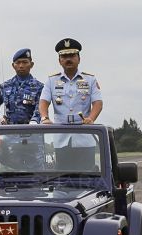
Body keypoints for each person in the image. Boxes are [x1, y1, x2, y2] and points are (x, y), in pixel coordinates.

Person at [39, 38, 103, 170]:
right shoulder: (52, 81)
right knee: (64, 178)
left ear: (79, 58)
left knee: (87, 176)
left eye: (72, 55)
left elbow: (98, 103)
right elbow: (43, 102)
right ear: (59, 60)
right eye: (64, 56)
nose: (68, 59)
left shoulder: (90, 79)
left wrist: (91, 118)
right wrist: (45, 117)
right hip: (62, 139)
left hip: (84, 138)